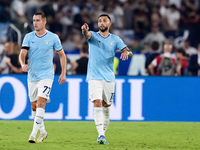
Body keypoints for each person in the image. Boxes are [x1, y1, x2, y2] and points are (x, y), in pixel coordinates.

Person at [81, 14, 133, 145]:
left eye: (104, 21)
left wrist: (126, 52)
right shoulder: (93, 36)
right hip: (94, 77)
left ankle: (103, 132)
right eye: (99, 21)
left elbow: (128, 51)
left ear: (110, 24)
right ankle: (101, 135)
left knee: (107, 106)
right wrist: (84, 30)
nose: (101, 23)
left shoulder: (115, 39)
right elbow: (87, 35)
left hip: (109, 78)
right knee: (97, 102)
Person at [19, 11, 66, 143]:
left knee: (41, 102)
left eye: (38, 20)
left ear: (44, 22)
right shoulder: (28, 37)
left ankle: (33, 135)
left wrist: (63, 73)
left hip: (47, 75)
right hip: (32, 75)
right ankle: (43, 132)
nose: (35, 23)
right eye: (34, 20)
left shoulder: (53, 37)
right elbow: (22, 53)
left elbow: (62, 55)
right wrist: (22, 63)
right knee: (34, 106)